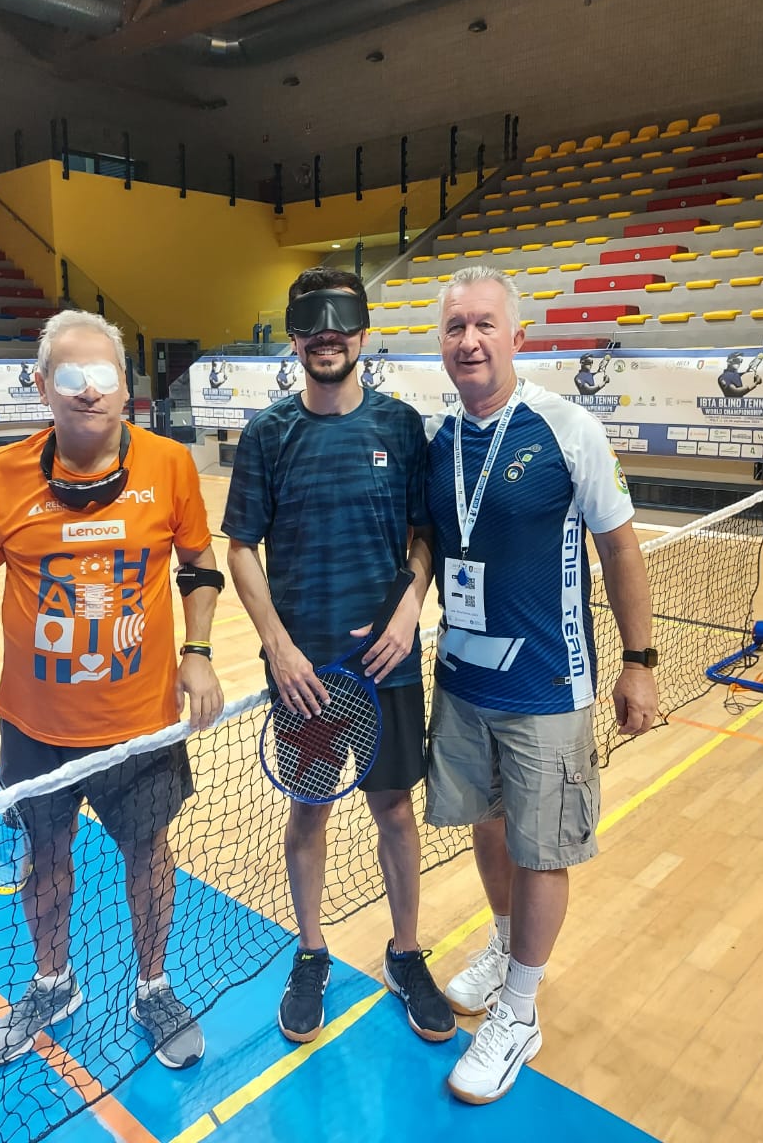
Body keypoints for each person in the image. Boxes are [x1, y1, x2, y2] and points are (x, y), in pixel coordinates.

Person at [0, 308, 225, 1070]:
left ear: (126, 390)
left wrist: (197, 651)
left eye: (105, 378)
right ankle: (52, 981)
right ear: (42, 388)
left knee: (148, 853)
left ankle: (154, 985)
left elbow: (201, 567)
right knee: (46, 856)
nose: (90, 392)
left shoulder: (170, 465)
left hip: (140, 725)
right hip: (35, 725)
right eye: (72, 378)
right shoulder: (3, 473)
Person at [423, 266, 659, 1104]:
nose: (470, 341)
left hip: (548, 689)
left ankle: (521, 1011)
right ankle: (502, 943)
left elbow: (621, 548)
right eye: (455, 328)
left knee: (542, 846)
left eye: (485, 325)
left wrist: (641, 661)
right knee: (487, 827)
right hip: (460, 683)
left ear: (518, 338)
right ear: (441, 343)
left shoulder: (568, 429)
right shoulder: (439, 439)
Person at [222, 267, 455, 1047]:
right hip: (305, 675)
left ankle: (404, 952)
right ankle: (312, 952)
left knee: (394, 810)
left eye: (339, 332)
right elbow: (242, 549)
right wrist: (277, 646)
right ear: (295, 342)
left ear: (362, 336)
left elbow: (425, 536)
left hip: (388, 661)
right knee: (309, 810)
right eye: (312, 334)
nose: (327, 343)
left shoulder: (400, 427)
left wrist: (411, 603)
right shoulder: (267, 434)